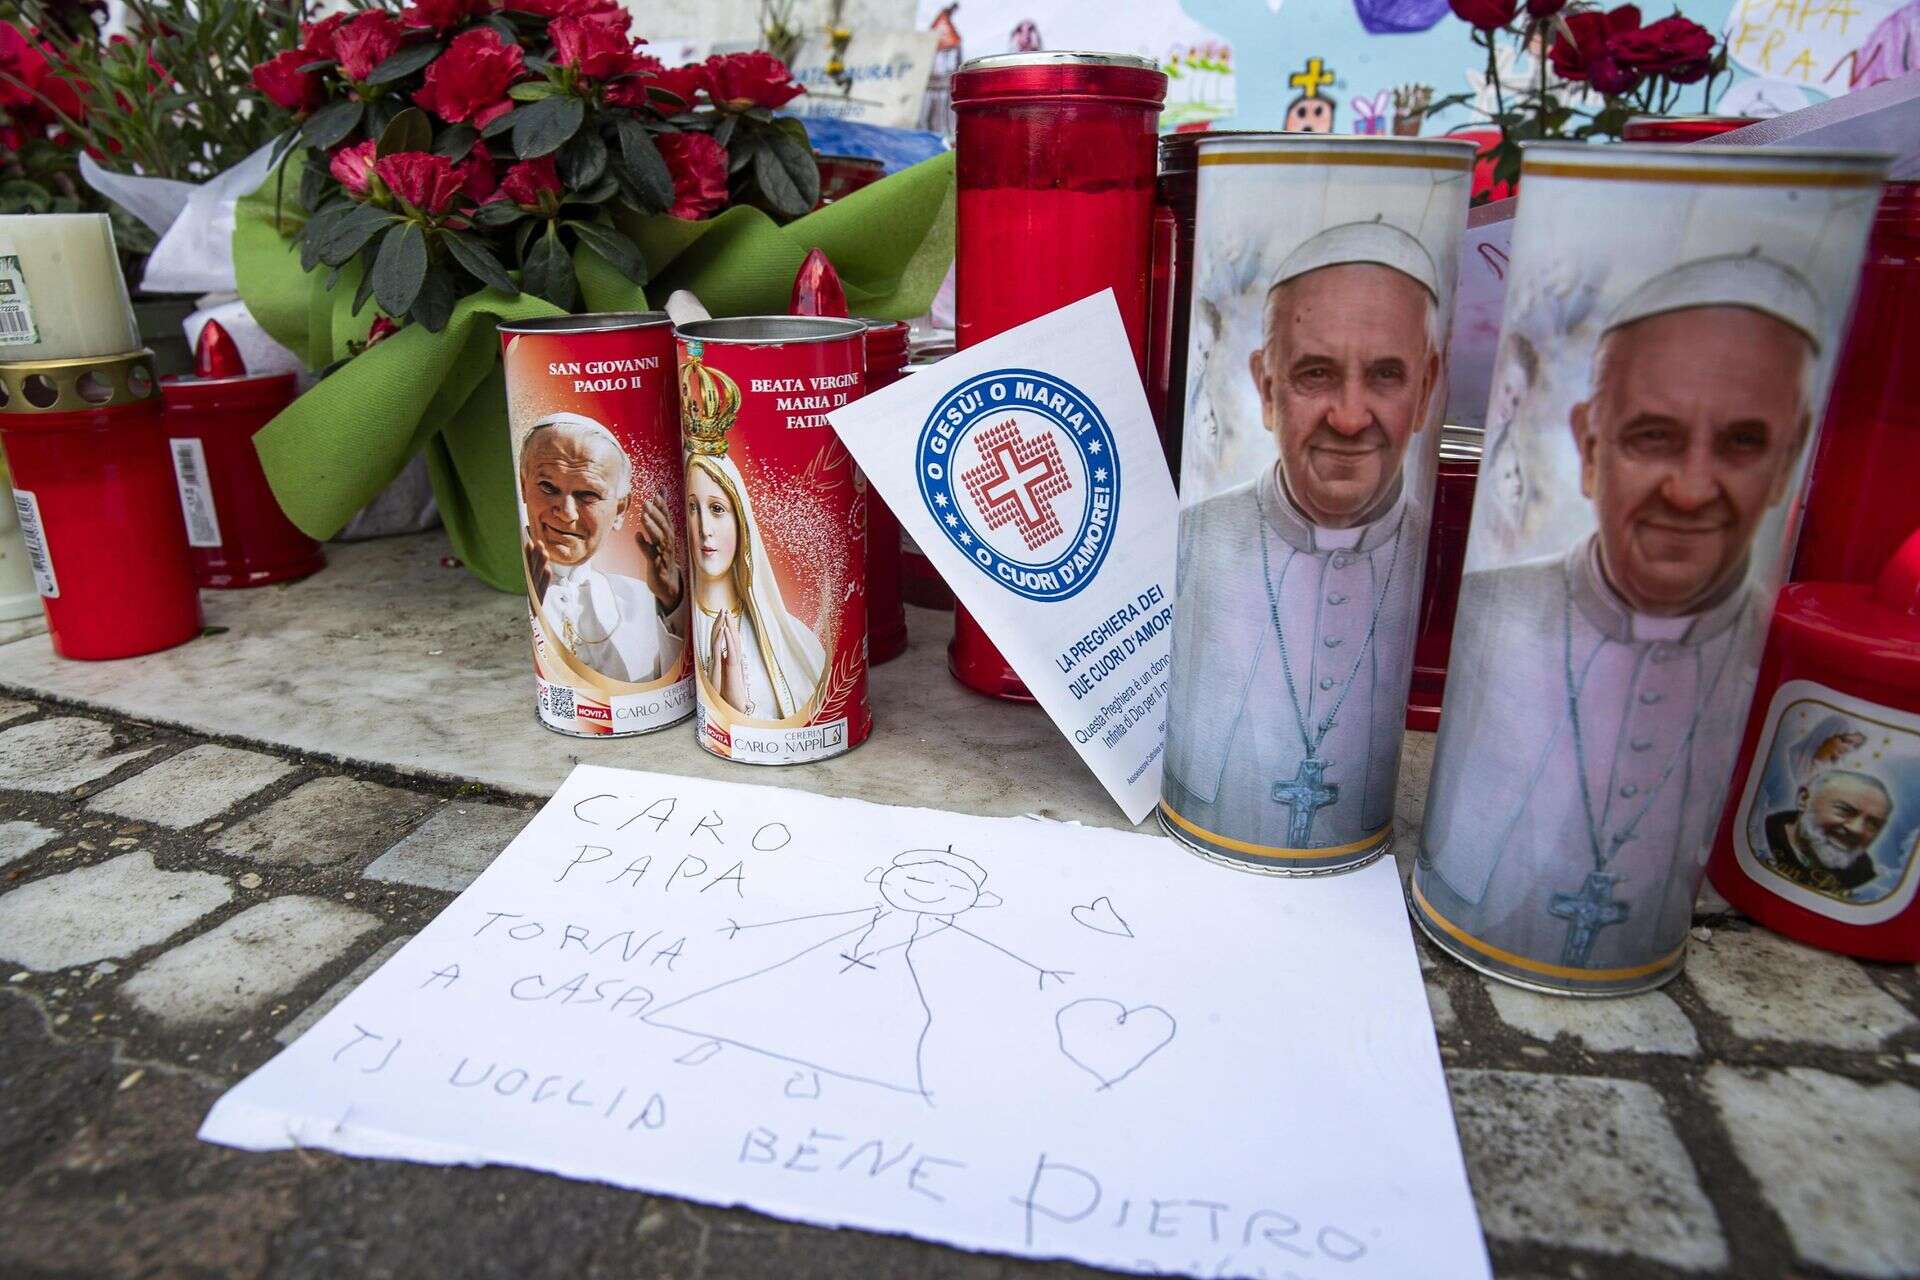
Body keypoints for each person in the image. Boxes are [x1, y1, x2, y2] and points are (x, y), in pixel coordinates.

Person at [1418, 251, 1825, 972]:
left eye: (1742, 443)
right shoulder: (1496, 607)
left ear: (1786, 464)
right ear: (1590, 446)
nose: (1693, 490)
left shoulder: (1784, 654)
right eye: (1653, 437)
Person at [1163, 220, 1444, 855]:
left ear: (1425, 389)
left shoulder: (1438, 553)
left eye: (1385, 376)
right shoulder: (1199, 537)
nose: (1349, 418)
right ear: (1267, 388)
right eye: (1316, 374)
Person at [519, 413, 685, 684]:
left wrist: (672, 601)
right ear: (524, 486)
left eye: (588, 495)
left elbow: (664, 685)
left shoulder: (641, 598)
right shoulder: (496, 591)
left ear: (620, 509)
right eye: (548, 488)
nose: (567, 513)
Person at [685, 451, 827, 722]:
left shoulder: (794, 640)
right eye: (693, 508)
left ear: (741, 522)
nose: (704, 528)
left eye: (717, 509)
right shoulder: (675, 627)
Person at [1762, 769, 1891, 896]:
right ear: (1804, 799)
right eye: (1844, 810)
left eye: (1872, 824)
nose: (1856, 829)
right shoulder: (1757, 836)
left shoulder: (1864, 881)